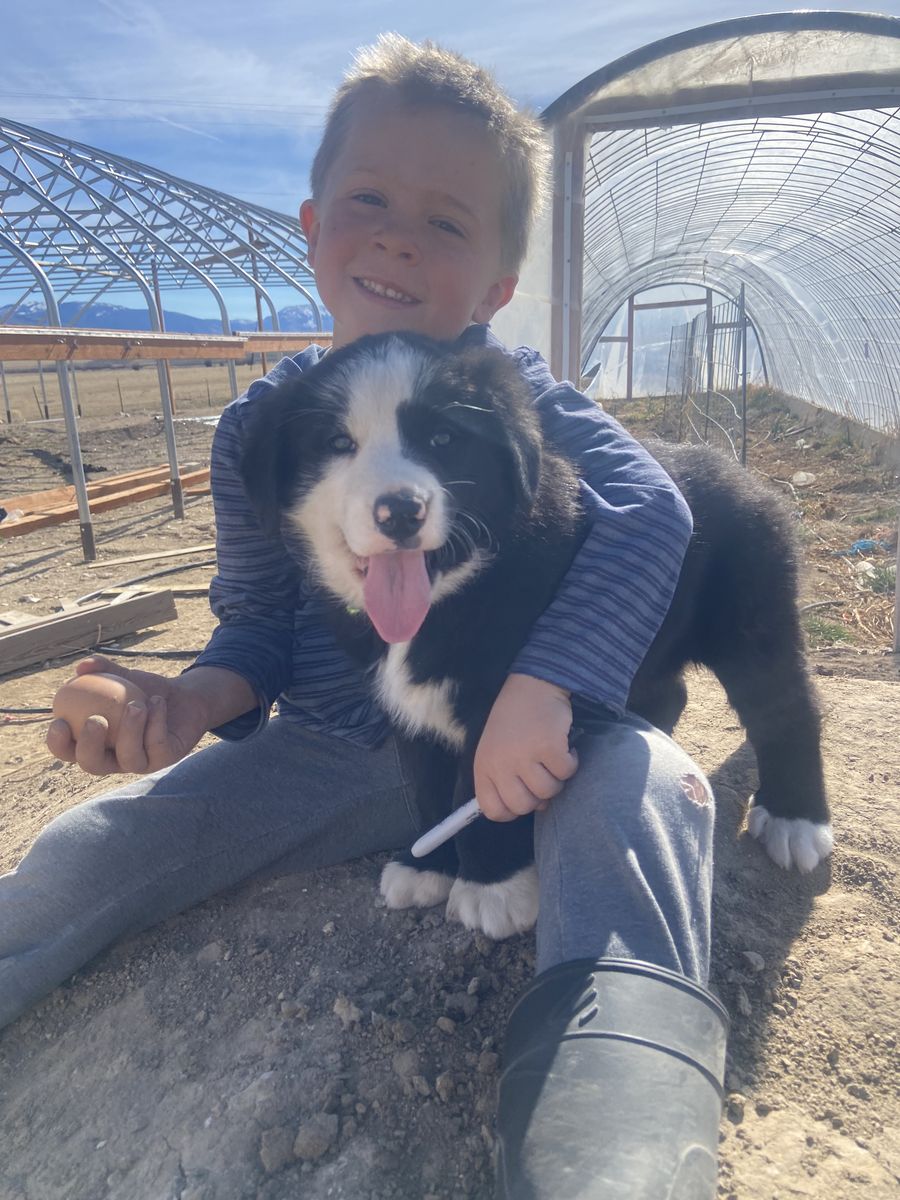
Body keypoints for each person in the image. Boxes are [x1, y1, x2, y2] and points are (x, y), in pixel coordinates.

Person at [1, 35, 727, 1199]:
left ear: (497, 285)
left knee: (644, 790)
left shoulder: (511, 396)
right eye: (369, 202)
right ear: (311, 228)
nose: (397, 237)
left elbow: (651, 511)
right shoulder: (262, 429)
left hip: (521, 740)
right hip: (331, 751)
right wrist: (182, 700)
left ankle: (613, 1119)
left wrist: (547, 686)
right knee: (102, 842)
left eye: (446, 220)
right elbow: (254, 626)